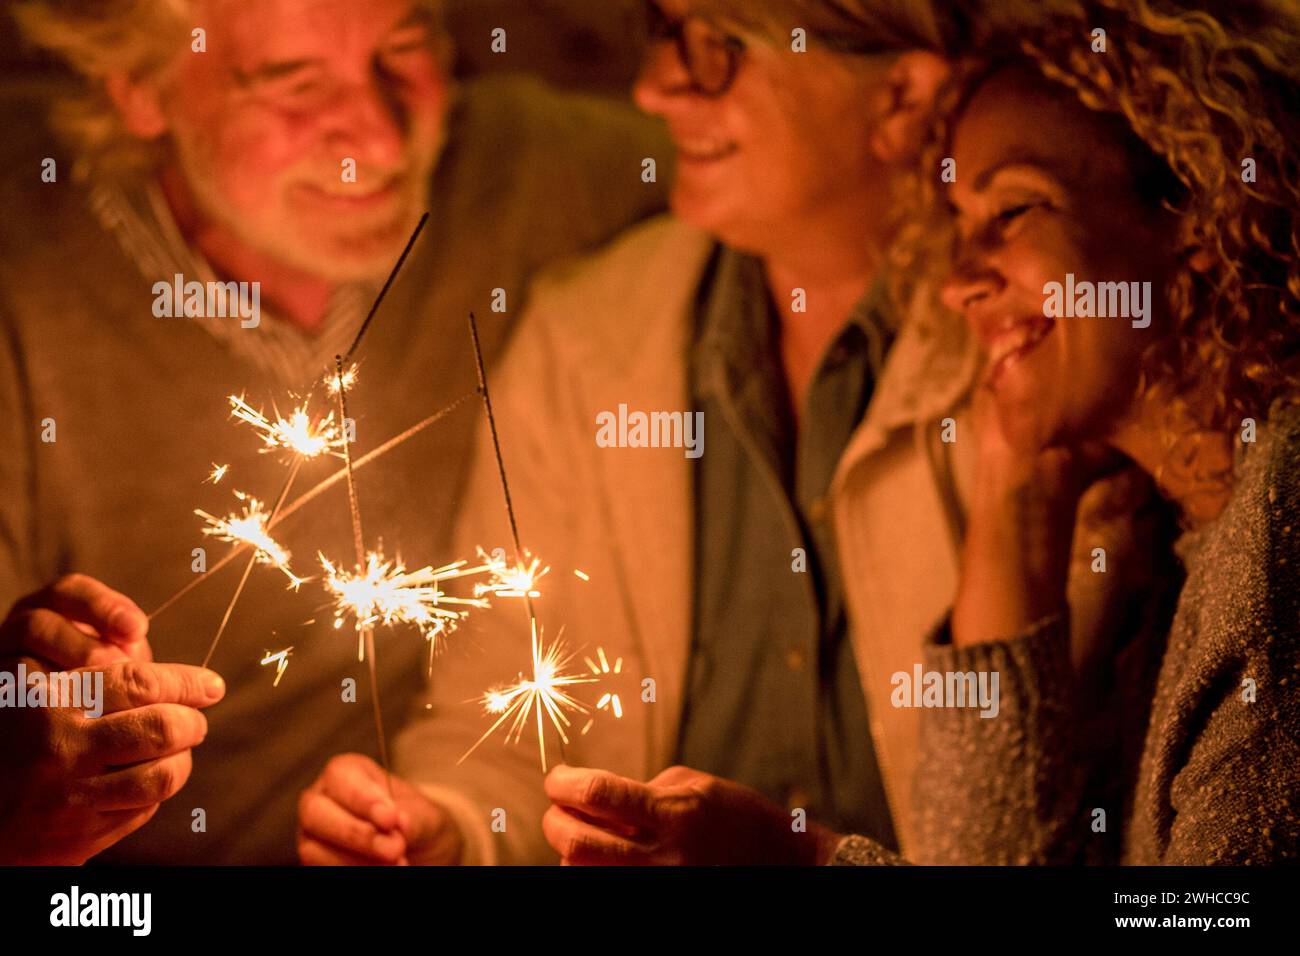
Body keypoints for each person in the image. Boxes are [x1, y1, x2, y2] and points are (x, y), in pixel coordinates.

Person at [539, 0, 1300, 866]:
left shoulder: (1279, 538)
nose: (960, 283)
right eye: (959, 225)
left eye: (1013, 213)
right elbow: (987, 859)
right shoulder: (1181, 544)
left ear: (1194, 213)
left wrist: (798, 863)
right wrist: (1013, 488)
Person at [295, 0, 989, 866]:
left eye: (718, 49)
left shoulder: (1023, 354)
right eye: (662, 34)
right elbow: (499, 726)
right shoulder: (590, 335)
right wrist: (453, 832)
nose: (654, 89)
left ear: (901, 95)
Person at [0, 0, 668, 865]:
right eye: (293, 81)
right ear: (136, 87)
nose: (381, 140)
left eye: (403, 50)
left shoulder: (544, 174)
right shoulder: (24, 273)